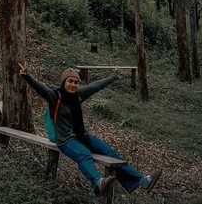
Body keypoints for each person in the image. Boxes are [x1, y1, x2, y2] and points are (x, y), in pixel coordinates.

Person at [19, 63, 162, 198]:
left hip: (83, 136)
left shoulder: (79, 96)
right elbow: (40, 87)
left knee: (111, 153)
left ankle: (143, 181)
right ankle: (98, 183)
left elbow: (95, 86)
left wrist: (113, 76)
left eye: (76, 82)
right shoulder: (55, 96)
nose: (73, 85)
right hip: (66, 140)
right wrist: (27, 76)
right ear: (63, 82)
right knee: (84, 155)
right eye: (70, 81)